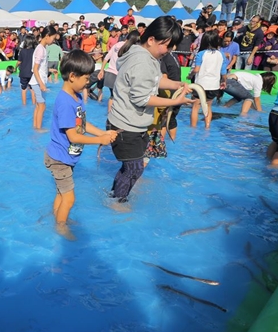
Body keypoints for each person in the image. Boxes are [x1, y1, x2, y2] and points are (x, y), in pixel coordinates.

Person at [107, 16, 192, 204]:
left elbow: (155, 80)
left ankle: (115, 196)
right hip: (126, 126)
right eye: (167, 45)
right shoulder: (143, 61)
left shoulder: (145, 55)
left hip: (130, 124)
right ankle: (117, 202)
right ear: (152, 39)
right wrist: (175, 101)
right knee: (134, 168)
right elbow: (141, 98)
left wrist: (177, 83)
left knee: (131, 167)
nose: (169, 51)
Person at [44, 50, 118, 240]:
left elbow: (82, 124)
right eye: (86, 78)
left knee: (62, 193)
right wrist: (99, 141)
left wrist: (102, 132)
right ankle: (60, 226)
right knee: (70, 198)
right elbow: (74, 136)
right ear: (72, 76)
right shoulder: (65, 102)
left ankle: (58, 217)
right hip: (60, 158)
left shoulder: (76, 97)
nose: (88, 82)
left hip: (64, 157)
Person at [188, 31, 224, 129]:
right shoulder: (221, 55)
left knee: (195, 107)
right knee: (208, 107)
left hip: (201, 85)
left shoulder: (201, 54)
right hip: (214, 85)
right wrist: (224, 81)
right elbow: (223, 72)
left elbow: (196, 69)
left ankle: (193, 129)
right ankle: (207, 127)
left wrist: (190, 76)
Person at [29, 25, 58, 131]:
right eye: (53, 38)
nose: (53, 40)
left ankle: (35, 126)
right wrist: (41, 84)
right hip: (37, 82)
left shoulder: (42, 48)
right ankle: (38, 128)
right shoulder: (41, 49)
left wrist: (50, 70)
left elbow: (40, 67)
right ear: (47, 36)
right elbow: (35, 68)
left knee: (38, 105)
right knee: (42, 106)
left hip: (37, 81)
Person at [16, 35, 37, 106]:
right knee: (32, 89)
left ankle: (24, 105)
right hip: (32, 73)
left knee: (24, 89)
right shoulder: (35, 51)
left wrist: (15, 67)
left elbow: (19, 62)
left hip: (23, 73)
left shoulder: (22, 51)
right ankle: (34, 104)